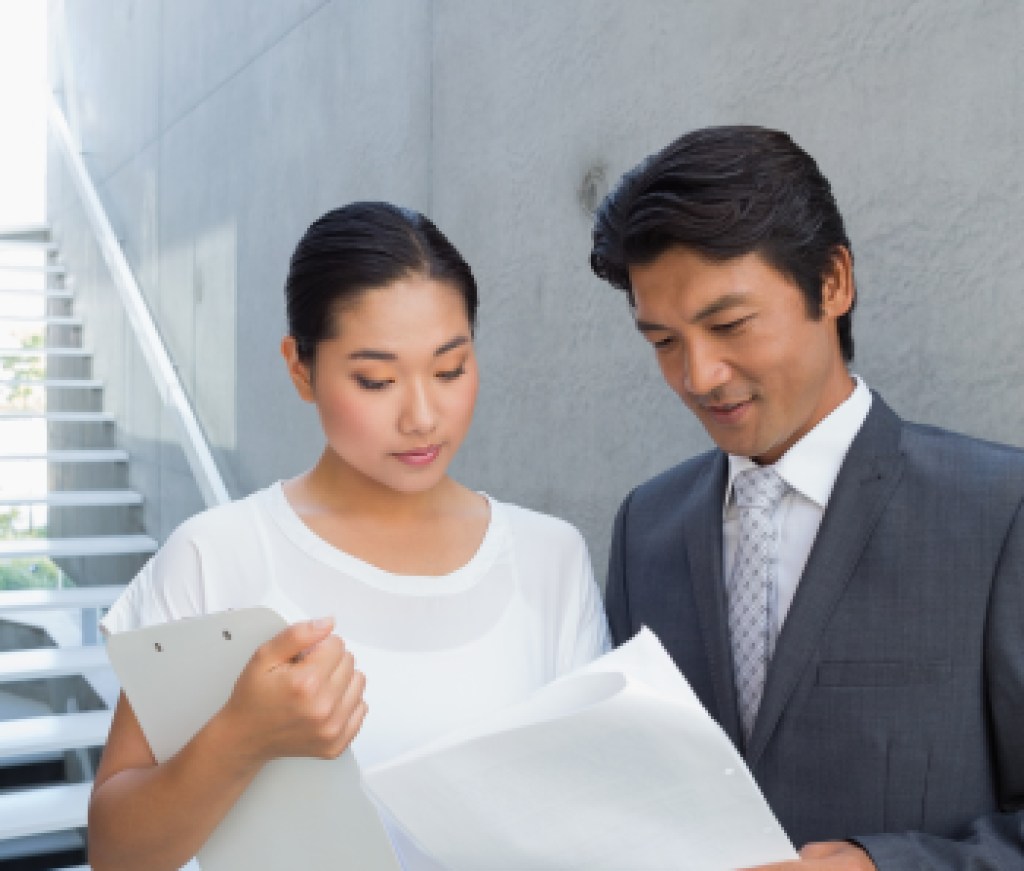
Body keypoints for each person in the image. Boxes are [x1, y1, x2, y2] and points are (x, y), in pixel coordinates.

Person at [88, 202, 610, 871]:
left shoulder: (550, 558)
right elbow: (116, 852)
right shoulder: (217, 555)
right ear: (300, 367)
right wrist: (240, 737)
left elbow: (594, 823)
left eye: (450, 368)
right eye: (376, 379)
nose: (422, 416)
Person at [589, 126, 1024, 870]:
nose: (698, 375)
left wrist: (881, 865)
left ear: (833, 281)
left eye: (729, 325)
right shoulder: (644, 528)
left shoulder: (999, 510)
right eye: (662, 340)